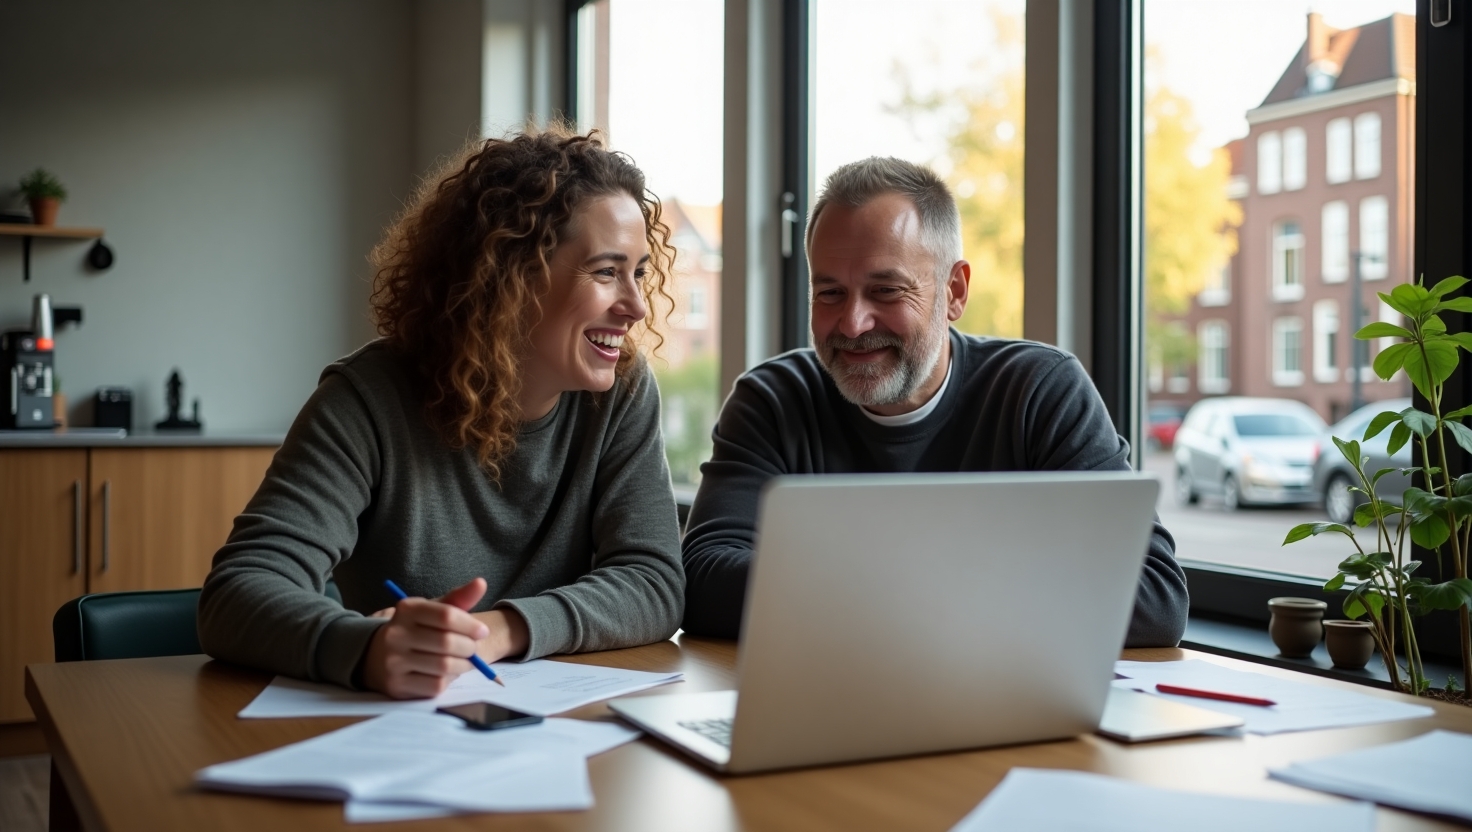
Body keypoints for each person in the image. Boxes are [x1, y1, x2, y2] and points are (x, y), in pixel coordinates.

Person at [199, 126, 685, 699]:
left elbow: (653, 582)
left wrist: (498, 630)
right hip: (400, 734)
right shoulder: (367, 401)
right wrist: (363, 649)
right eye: (607, 272)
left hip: (564, 728)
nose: (634, 306)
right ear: (511, 275)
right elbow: (238, 591)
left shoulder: (621, 393)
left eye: (639, 273)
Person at [681, 157, 1188, 646]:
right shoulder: (773, 399)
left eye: (886, 290)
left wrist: (854, 586)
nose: (853, 323)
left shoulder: (1038, 391)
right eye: (830, 293)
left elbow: (1154, 599)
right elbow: (703, 582)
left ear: (955, 291)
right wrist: (972, 584)